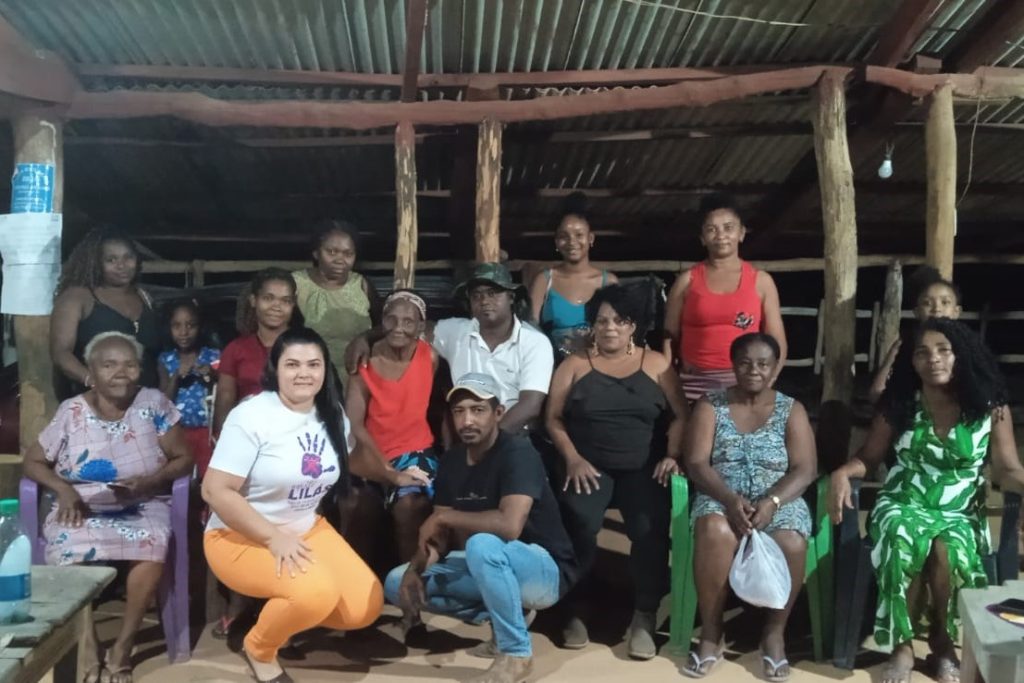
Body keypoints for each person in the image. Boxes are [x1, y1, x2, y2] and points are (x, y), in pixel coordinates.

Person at [202, 327, 429, 683]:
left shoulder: (329, 412)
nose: (303, 373)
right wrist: (273, 539)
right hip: (238, 536)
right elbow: (215, 491)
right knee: (316, 593)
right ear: (275, 368)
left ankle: (289, 611)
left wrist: (393, 476)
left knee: (363, 606)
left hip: (305, 527)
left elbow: (349, 458)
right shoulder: (252, 416)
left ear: (325, 370)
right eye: (292, 364)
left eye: (313, 364)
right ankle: (260, 647)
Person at [829, 318, 1024, 683]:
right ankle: (903, 646)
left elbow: (1007, 468)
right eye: (922, 353)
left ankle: (942, 640)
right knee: (904, 537)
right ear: (911, 362)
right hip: (903, 500)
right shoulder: (900, 404)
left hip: (959, 509)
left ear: (960, 356)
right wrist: (844, 472)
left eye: (943, 350)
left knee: (947, 549)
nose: (933, 359)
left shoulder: (989, 408)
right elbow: (869, 458)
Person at [385, 373, 579, 683]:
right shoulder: (451, 461)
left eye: (478, 410)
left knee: (483, 544)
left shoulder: (518, 452)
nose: (467, 421)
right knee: (397, 583)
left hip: (543, 568)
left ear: (498, 413)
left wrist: (443, 518)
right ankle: (509, 618)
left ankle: (515, 652)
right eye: (459, 412)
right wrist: (417, 567)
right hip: (488, 565)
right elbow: (441, 538)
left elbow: (509, 527)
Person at [22, 332, 193, 683]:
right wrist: (63, 490)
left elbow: (184, 458)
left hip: (141, 500)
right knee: (66, 546)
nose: (121, 372)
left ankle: (123, 648)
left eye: (129, 364)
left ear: (140, 370)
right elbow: (34, 462)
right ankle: (87, 649)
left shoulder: (153, 403)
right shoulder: (71, 411)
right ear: (92, 372)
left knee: (152, 542)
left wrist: (150, 481)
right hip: (80, 502)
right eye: (109, 364)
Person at [545, 283, 688, 659]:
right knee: (579, 523)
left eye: (620, 321)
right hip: (589, 466)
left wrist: (673, 455)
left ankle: (644, 613)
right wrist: (572, 458)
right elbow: (553, 418)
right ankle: (574, 607)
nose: (610, 328)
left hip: (644, 466)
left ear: (633, 326)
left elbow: (681, 416)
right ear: (592, 325)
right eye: (602, 321)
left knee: (649, 529)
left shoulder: (655, 363)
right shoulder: (575, 365)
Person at [682, 332, 817, 680]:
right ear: (733, 366)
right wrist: (728, 500)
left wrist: (772, 501)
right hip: (721, 495)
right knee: (714, 530)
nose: (753, 370)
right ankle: (712, 633)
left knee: (792, 541)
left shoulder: (791, 409)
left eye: (762, 363)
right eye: (744, 362)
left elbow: (805, 468)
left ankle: (773, 635)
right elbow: (696, 462)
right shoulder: (711, 405)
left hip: (778, 499)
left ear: (775, 368)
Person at [348, 262, 554, 433]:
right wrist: (364, 337)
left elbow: (530, 406)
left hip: (515, 435)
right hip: (468, 435)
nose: (484, 301)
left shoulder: (534, 342)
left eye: (493, 293)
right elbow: (407, 328)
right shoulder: (456, 332)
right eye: (477, 295)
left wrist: (491, 442)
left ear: (511, 297)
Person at [210, 267, 299, 638]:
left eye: (285, 300)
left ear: (294, 306)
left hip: (292, 449)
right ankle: (240, 602)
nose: (276, 307)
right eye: (268, 298)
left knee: (293, 523)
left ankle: (288, 606)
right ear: (254, 301)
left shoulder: (302, 346)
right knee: (239, 521)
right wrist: (227, 454)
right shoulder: (237, 349)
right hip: (246, 451)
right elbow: (225, 403)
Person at [663, 194, 787, 401]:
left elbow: (777, 340)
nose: (721, 235)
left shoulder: (761, 281)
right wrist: (671, 381)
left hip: (746, 383)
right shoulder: (686, 281)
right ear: (702, 238)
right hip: (694, 384)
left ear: (741, 233)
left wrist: (767, 380)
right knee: (693, 433)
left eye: (728, 228)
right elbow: (669, 336)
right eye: (712, 229)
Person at [345, 290, 438, 562]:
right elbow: (354, 424)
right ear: (381, 321)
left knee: (410, 505)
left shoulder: (429, 357)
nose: (399, 328)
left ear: (420, 326)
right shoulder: (364, 364)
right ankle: (359, 587)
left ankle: (406, 584)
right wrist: (386, 471)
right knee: (355, 503)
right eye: (391, 319)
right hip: (370, 453)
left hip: (415, 452)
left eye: (408, 322)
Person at [51, 227, 161, 397]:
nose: (121, 265)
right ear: (95, 263)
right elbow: (61, 353)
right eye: (111, 260)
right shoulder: (78, 297)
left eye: (128, 257)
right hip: (97, 405)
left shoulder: (144, 297)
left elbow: (156, 355)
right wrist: (93, 381)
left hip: (145, 405)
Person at [528, 192, 618, 361]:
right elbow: (530, 330)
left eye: (579, 235)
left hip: (600, 371)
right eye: (564, 236)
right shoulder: (545, 280)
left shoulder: (608, 282)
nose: (571, 242)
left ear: (590, 238)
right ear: (556, 242)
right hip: (554, 370)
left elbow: (618, 330)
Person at [292, 220, 381, 385]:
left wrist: (364, 337)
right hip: (311, 380)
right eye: (332, 252)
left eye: (348, 254)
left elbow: (384, 325)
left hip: (357, 379)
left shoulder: (361, 285)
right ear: (316, 253)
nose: (340, 260)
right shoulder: (297, 285)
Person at [869, 266, 962, 403]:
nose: (937, 309)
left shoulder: (967, 346)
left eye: (945, 302)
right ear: (917, 312)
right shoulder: (906, 344)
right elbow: (876, 393)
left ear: (956, 312)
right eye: (927, 303)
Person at [158, 299, 220, 478]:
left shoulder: (213, 356)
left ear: (200, 327)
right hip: (177, 433)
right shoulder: (165, 360)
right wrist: (175, 378)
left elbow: (222, 390)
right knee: (181, 479)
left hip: (206, 433)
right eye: (176, 326)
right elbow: (162, 402)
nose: (184, 332)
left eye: (191, 325)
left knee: (205, 475)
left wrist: (212, 376)